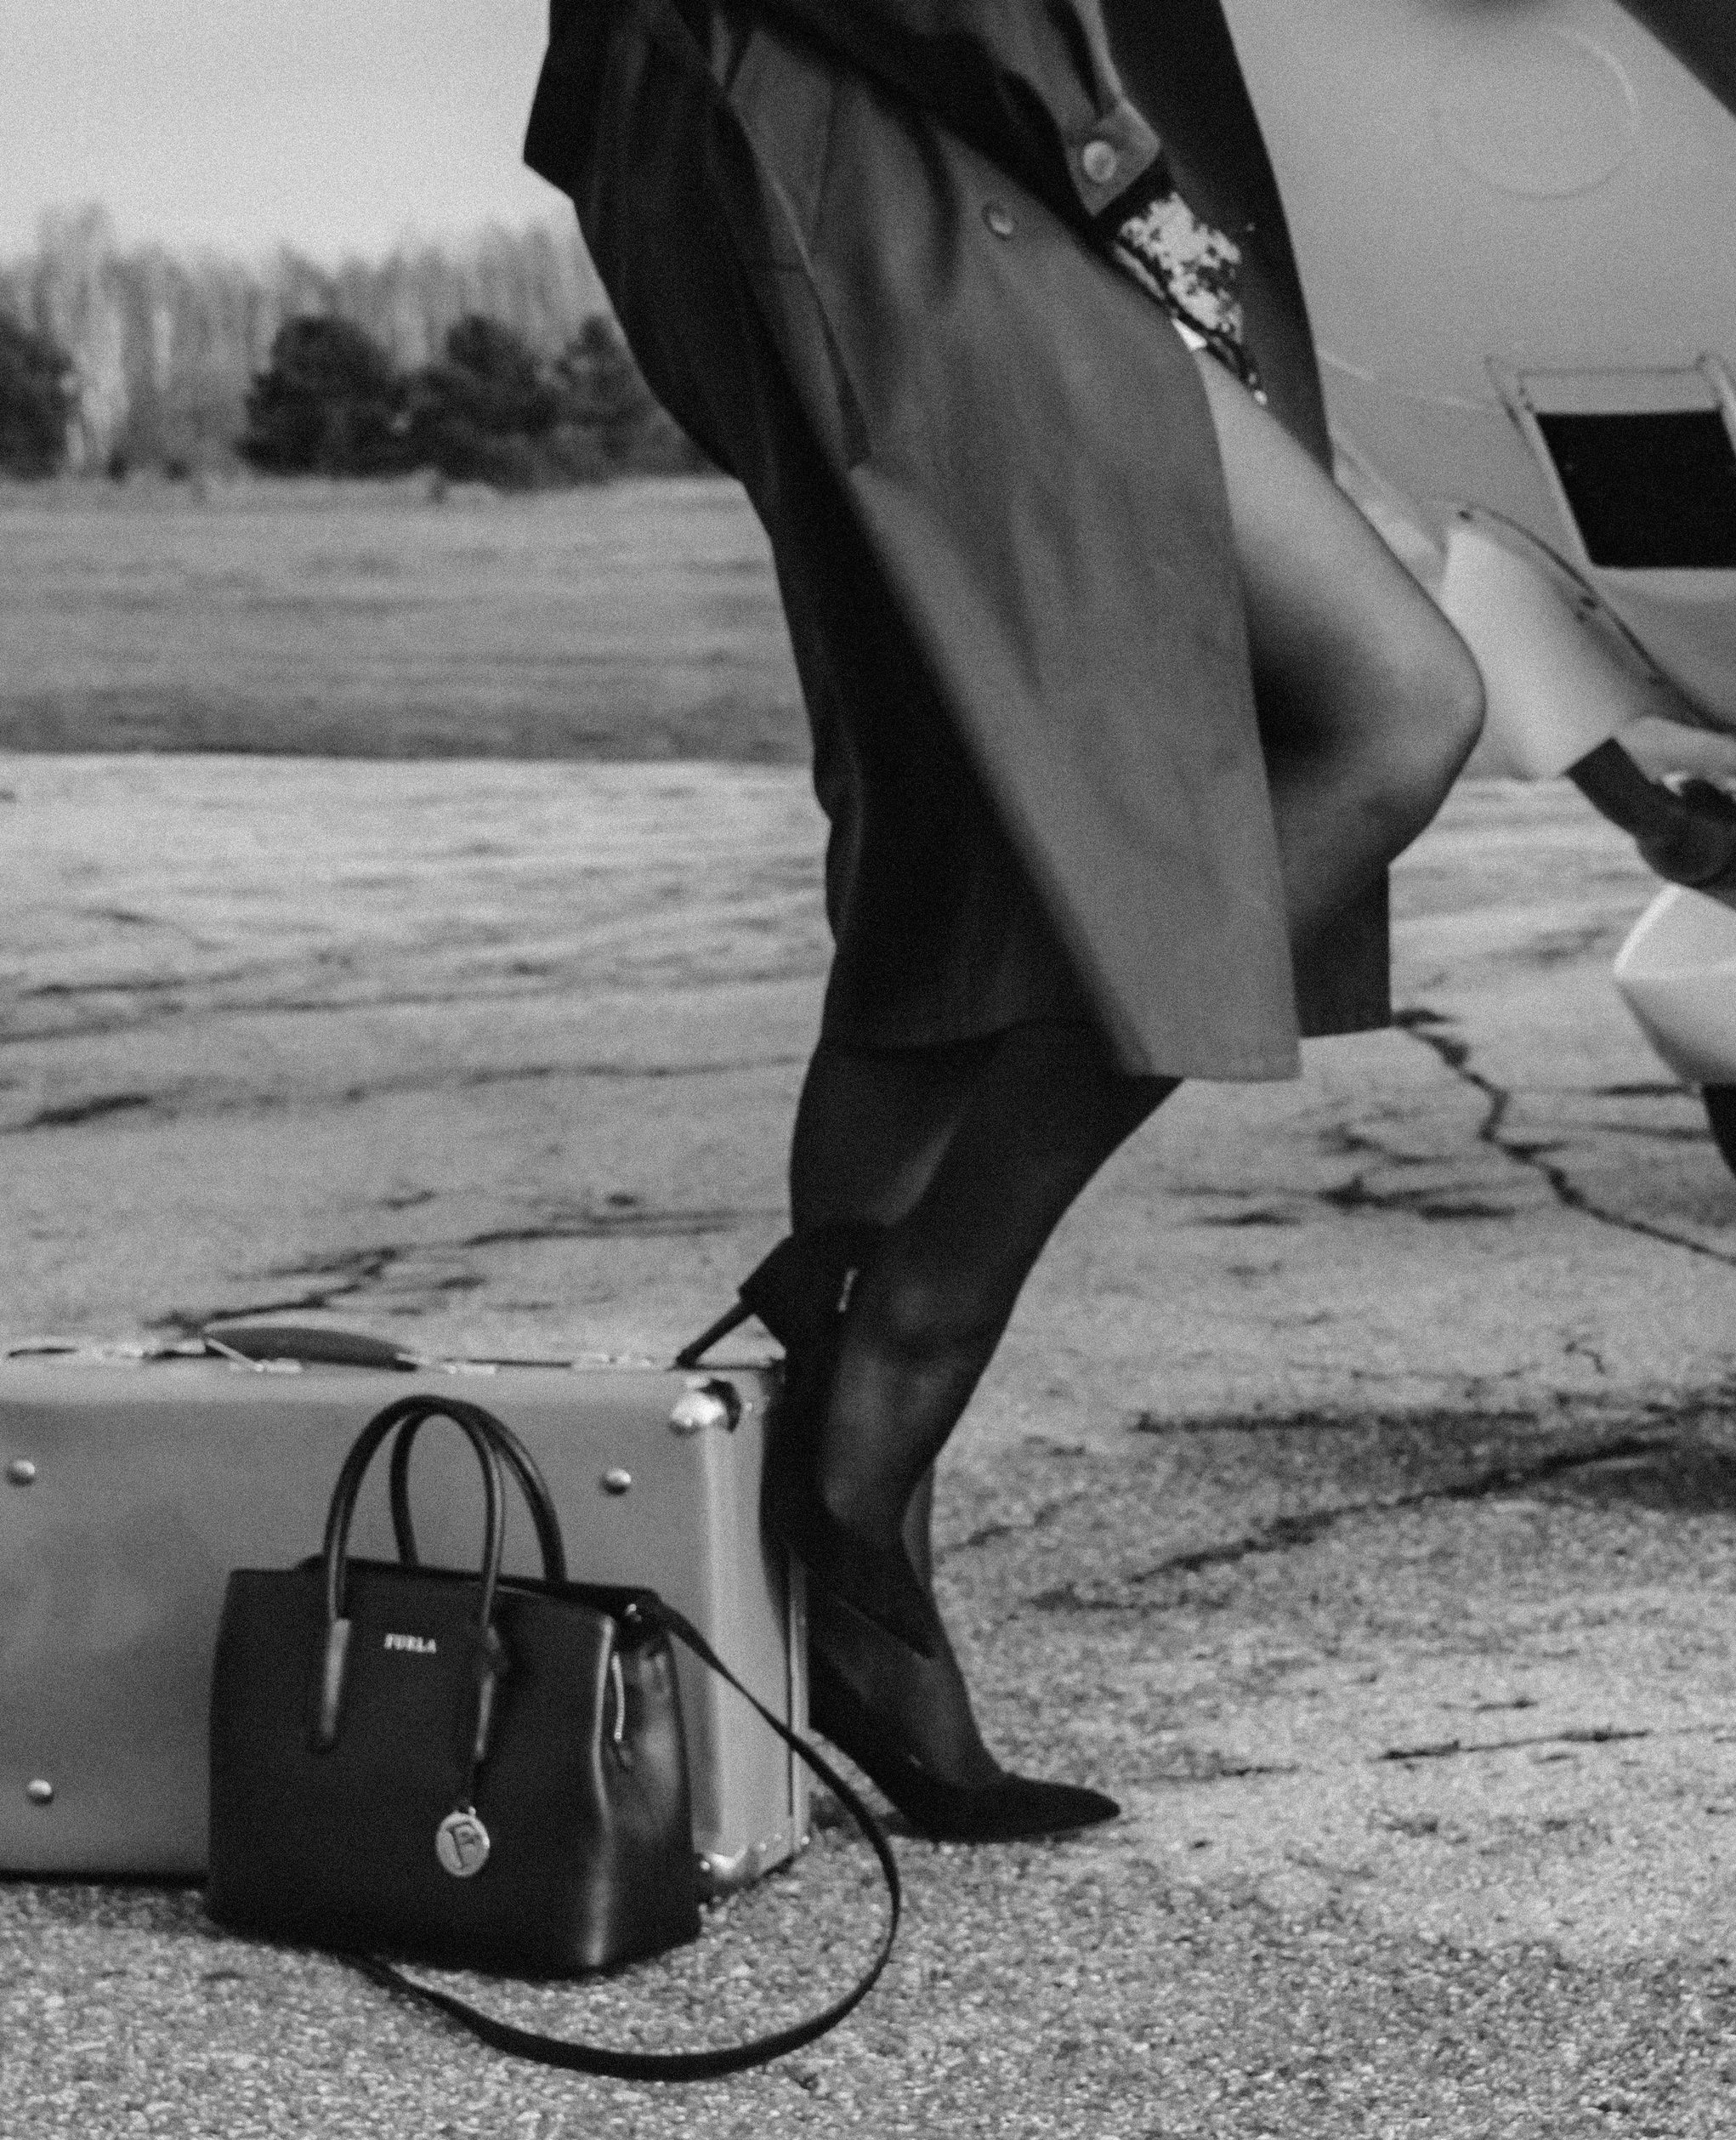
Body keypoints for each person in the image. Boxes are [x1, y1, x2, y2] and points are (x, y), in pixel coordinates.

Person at [525, 0, 1484, 1840]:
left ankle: (849, 1603)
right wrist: (1113, 159)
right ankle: (900, 1340)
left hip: (745, 129)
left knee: (954, 818)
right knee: (1393, 707)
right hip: (889, 121)